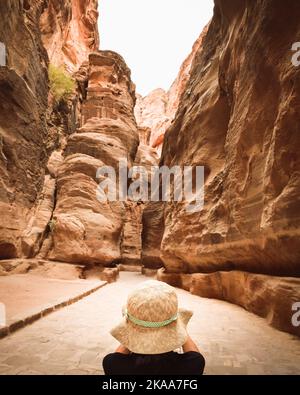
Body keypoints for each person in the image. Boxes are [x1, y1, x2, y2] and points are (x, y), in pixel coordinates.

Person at [103, 280, 205, 375]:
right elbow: (194, 354)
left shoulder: (112, 365)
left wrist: (132, 327)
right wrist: (181, 326)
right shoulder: (193, 365)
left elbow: (119, 356)